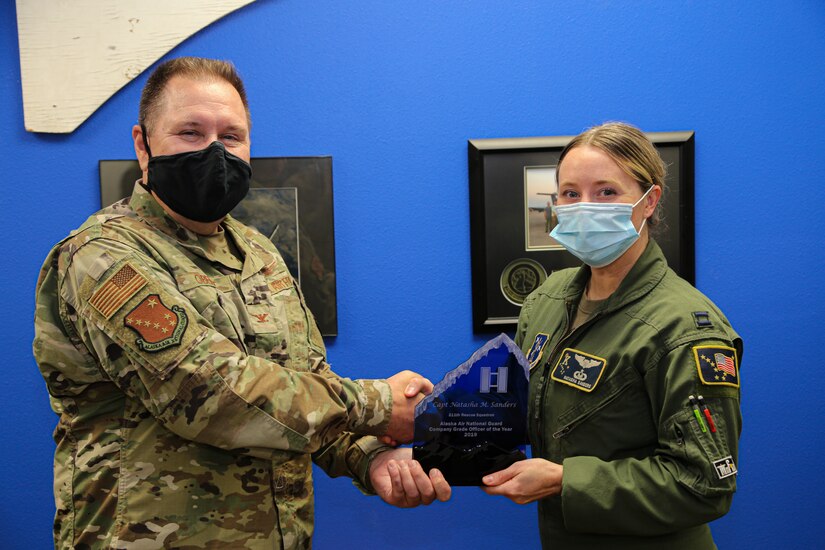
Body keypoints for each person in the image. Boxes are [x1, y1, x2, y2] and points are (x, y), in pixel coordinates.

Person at [33, 57, 449, 549]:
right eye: (190, 132)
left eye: (231, 137)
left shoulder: (257, 251)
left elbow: (307, 383)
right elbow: (205, 391)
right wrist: (377, 405)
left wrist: (370, 458)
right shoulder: (103, 256)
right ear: (143, 146)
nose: (214, 151)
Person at [481, 122, 742, 549]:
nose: (584, 207)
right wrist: (428, 430)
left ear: (648, 201)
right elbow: (522, 409)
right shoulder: (544, 300)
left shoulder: (685, 329)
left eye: (606, 192)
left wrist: (565, 481)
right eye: (570, 194)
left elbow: (704, 482)